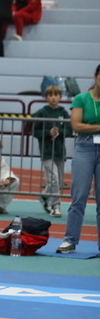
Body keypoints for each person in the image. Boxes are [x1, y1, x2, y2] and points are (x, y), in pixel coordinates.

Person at [56, 64, 100, 255]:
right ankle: (70, 240)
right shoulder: (81, 99)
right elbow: (77, 126)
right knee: (79, 196)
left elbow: (84, 124)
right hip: (85, 148)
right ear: (96, 76)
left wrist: (90, 126)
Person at [31, 85, 72, 218]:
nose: (53, 98)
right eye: (50, 95)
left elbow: (69, 130)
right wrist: (48, 133)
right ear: (46, 97)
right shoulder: (41, 112)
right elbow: (35, 132)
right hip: (47, 151)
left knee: (58, 181)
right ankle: (56, 206)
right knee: (53, 179)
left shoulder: (63, 112)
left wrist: (60, 132)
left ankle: (44, 195)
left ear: (60, 97)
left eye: (56, 95)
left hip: (60, 151)